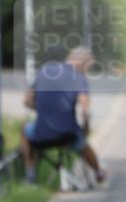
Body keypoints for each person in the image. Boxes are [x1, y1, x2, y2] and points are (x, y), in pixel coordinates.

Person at [21, 47, 106, 185]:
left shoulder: (45, 71)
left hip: (40, 134)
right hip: (67, 135)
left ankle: (30, 173)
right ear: (81, 62)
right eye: (87, 68)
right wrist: (86, 129)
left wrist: (43, 110)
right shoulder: (79, 78)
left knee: (25, 129)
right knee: (82, 143)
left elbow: (27, 101)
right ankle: (98, 172)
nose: (86, 72)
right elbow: (85, 111)